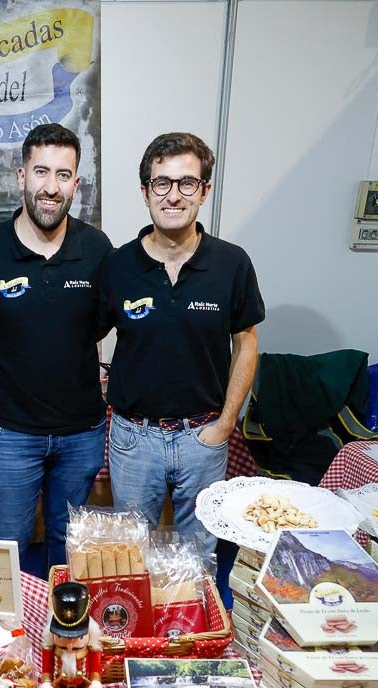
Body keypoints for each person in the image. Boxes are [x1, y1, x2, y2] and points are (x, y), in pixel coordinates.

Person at [97, 132, 265, 562]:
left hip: (203, 438)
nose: (174, 195)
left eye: (187, 183)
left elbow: (246, 344)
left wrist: (227, 423)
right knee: (132, 560)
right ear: (145, 191)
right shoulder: (117, 265)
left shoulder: (232, 263)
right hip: (134, 439)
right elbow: (86, 338)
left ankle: (192, 631)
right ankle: (139, 633)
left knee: (197, 560)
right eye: (162, 183)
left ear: (204, 190)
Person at [0, 124, 114, 573]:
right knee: (8, 546)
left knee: (69, 545)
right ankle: (6, 639)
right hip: (10, 433)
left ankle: (63, 633)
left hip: (81, 432)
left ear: (76, 184)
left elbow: (100, 324)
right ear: (21, 176)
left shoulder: (97, 248)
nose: (51, 186)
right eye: (41, 171)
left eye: (64, 175)